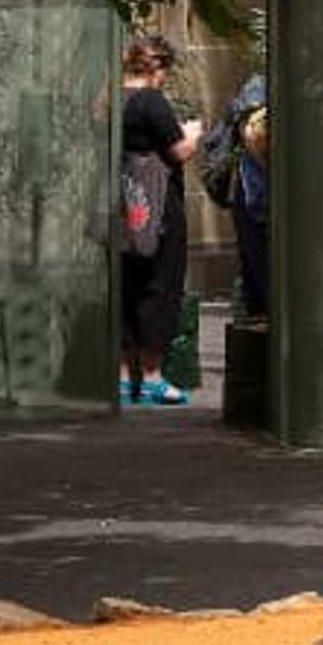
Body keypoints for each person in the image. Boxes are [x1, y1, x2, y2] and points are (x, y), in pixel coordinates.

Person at [114, 32, 204, 406]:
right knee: (160, 287)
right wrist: (194, 134)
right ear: (155, 68)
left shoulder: (108, 99)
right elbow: (179, 151)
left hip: (122, 204)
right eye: (165, 71)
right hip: (158, 207)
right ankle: (151, 376)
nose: (166, 79)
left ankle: (122, 377)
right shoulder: (152, 102)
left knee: (124, 288)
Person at [207, 69, 270, 317]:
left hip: (250, 194)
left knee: (255, 277)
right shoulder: (262, 94)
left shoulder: (254, 90)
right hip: (258, 198)